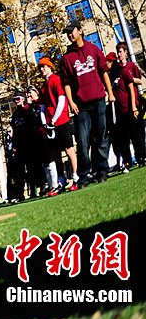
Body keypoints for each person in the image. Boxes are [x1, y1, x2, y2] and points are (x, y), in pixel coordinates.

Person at [59, 21, 115, 185]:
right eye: (67, 32)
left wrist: (110, 92)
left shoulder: (94, 49)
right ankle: (83, 176)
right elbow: (66, 83)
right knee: (83, 142)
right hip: (81, 106)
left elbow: (104, 72)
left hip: (98, 100)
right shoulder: (66, 58)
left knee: (101, 137)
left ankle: (102, 171)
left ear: (80, 30)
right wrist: (71, 102)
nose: (70, 34)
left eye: (72, 31)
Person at [37, 56, 79, 191]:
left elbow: (61, 100)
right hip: (50, 125)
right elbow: (43, 107)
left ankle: (76, 176)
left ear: (50, 67)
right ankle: (61, 180)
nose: (42, 69)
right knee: (55, 153)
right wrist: (45, 123)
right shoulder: (44, 86)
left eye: (44, 66)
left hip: (61, 121)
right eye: (40, 67)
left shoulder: (56, 80)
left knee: (69, 149)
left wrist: (54, 120)